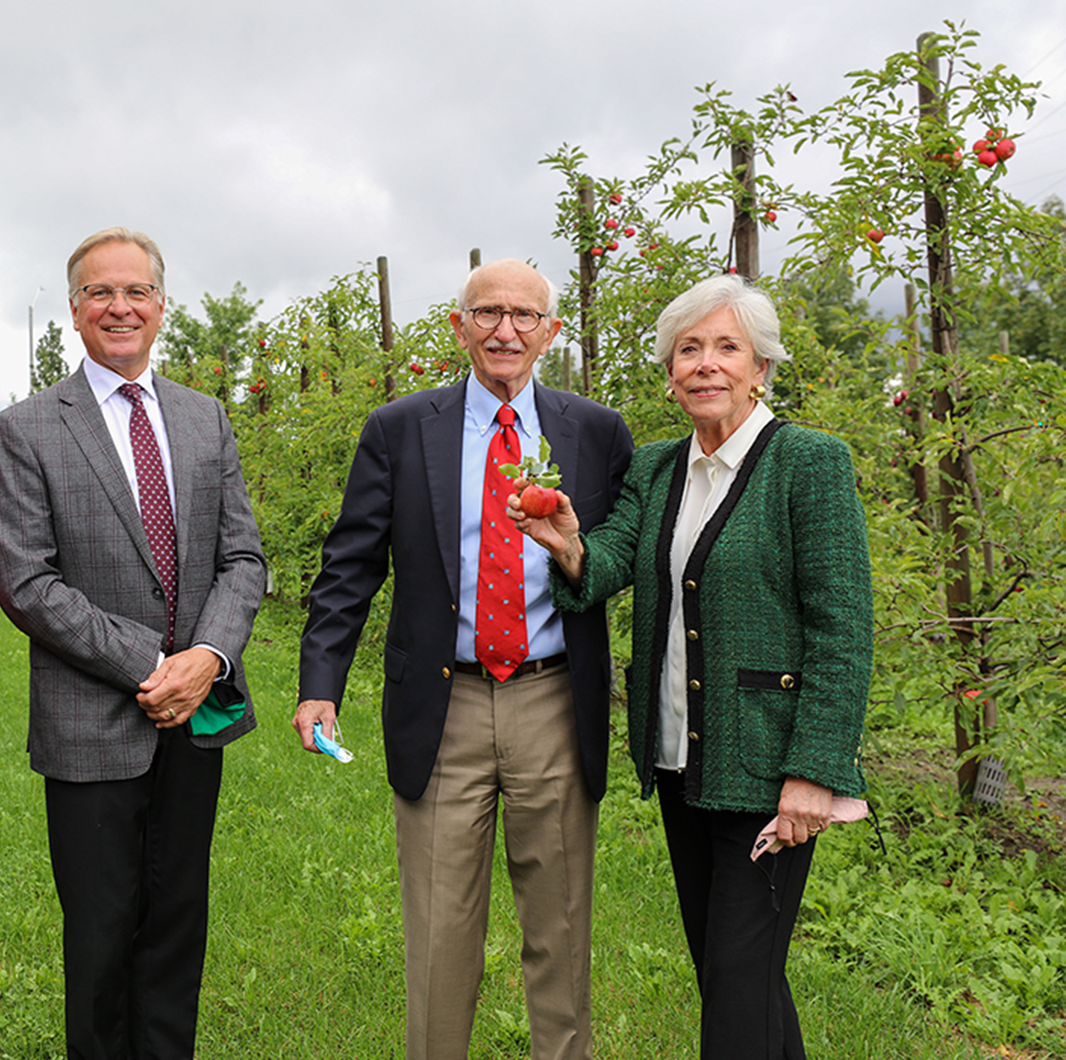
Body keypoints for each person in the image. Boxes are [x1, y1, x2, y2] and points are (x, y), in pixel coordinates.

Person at [512, 274, 871, 1059]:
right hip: (682, 764)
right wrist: (570, 542)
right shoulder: (657, 469)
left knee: (739, 985)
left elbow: (843, 630)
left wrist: (815, 770)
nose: (706, 364)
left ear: (761, 368)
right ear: (671, 373)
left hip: (768, 769)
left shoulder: (808, 465)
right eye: (688, 350)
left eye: (726, 347)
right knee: (737, 976)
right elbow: (608, 562)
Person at [296, 259, 633, 1060]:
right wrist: (319, 687)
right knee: (441, 932)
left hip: (553, 699)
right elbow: (350, 566)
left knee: (560, 926)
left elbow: (619, 557)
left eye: (524, 316)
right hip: (443, 705)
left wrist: (580, 554)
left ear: (550, 332)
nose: (505, 330)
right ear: (459, 327)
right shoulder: (400, 429)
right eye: (486, 313)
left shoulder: (596, 432)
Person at [0, 227, 267, 1060]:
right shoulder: (28, 428)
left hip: (197, 717)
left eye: (136, 291)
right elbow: (27, 583)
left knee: (178, 927)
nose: (120, 306)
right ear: (74, 311)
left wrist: (207, 658)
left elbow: (243, 557)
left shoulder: (204, 418)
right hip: (92, 727)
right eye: (100, 293)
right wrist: (152, 664)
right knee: (102, 942)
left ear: (160, 304)